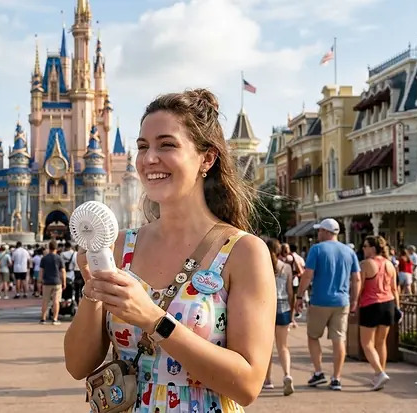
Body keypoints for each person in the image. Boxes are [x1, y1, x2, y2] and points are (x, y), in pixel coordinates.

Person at [64, 89, 276, 410]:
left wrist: (153, 319)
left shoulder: (242, 252)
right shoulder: (121, 247)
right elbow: (78, 365)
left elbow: (247, 384)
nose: (149, 159)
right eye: (142, 147)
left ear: (207, 158)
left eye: (167, 145)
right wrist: (93, 293)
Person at [295, 218, 361, 391]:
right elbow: (357, 278)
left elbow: (308, 275)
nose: (318, 234)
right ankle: (337, 377)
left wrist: (299, 296)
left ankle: (318, 372)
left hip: (320, 301)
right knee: (339, 339)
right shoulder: (349, 251)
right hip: (342, 301)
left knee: (313, 336)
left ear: (325, 232)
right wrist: (354, 300)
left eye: (319, 231)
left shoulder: (317, 250)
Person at [357, 235, 399, 391]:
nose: (363, 248)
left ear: (373, 248)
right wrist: (398, 307)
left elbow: (360, 287)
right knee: (381, 342)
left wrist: (354, 303)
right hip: (388, 304)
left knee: (367, 343)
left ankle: (379, 373)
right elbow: (395, 289)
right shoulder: (390, 264)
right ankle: (380, 374)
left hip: (371, 305)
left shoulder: (367, 264)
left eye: (365, 246)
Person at [264, 239, 295, 396]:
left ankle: (268, 380)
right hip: (283, 309)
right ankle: (287, 374)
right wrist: (292, 313)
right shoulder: (287, 267)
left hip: (266, 310)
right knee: (283, 346)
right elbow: (290, 292)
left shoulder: (263, 266)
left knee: (267, 347)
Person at [39, 241, 66, 325]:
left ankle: (43, 318)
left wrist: (40, 281)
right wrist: (64, 282)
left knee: (45, 301)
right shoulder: (59, 258)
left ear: (49, 248)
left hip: (46, 282)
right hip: (57, 282)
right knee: (56, 301)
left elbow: (41, 271)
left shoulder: (44, 258)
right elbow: (63, 271)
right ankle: (55, 319)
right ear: (56, 248)